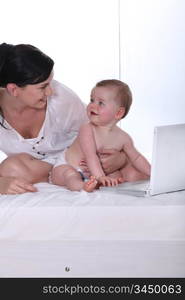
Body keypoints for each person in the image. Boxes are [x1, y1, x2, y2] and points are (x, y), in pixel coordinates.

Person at [0, 43, 126, 194]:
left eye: (50, 83)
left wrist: (121, 157)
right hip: (37, 166)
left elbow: (101, 127)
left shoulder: (61, 99)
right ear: (13, 90)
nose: (50, 91)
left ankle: (67, 174)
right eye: (43, 87)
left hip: (77, 157)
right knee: (10, 169)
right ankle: (61, 175)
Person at [51, 79, 151, 192]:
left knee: (117, 177)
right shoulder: (87, 129)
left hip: (96, 172)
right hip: (69, 165)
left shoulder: (123, 138)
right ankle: (82, 186)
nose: (93, 105)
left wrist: (152, 172)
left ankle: (97, 183)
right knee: (70, 176)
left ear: (118, 113)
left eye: (101, 103)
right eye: (92, 100)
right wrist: (100, 177)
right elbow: (91, 156)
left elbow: (137, 158)